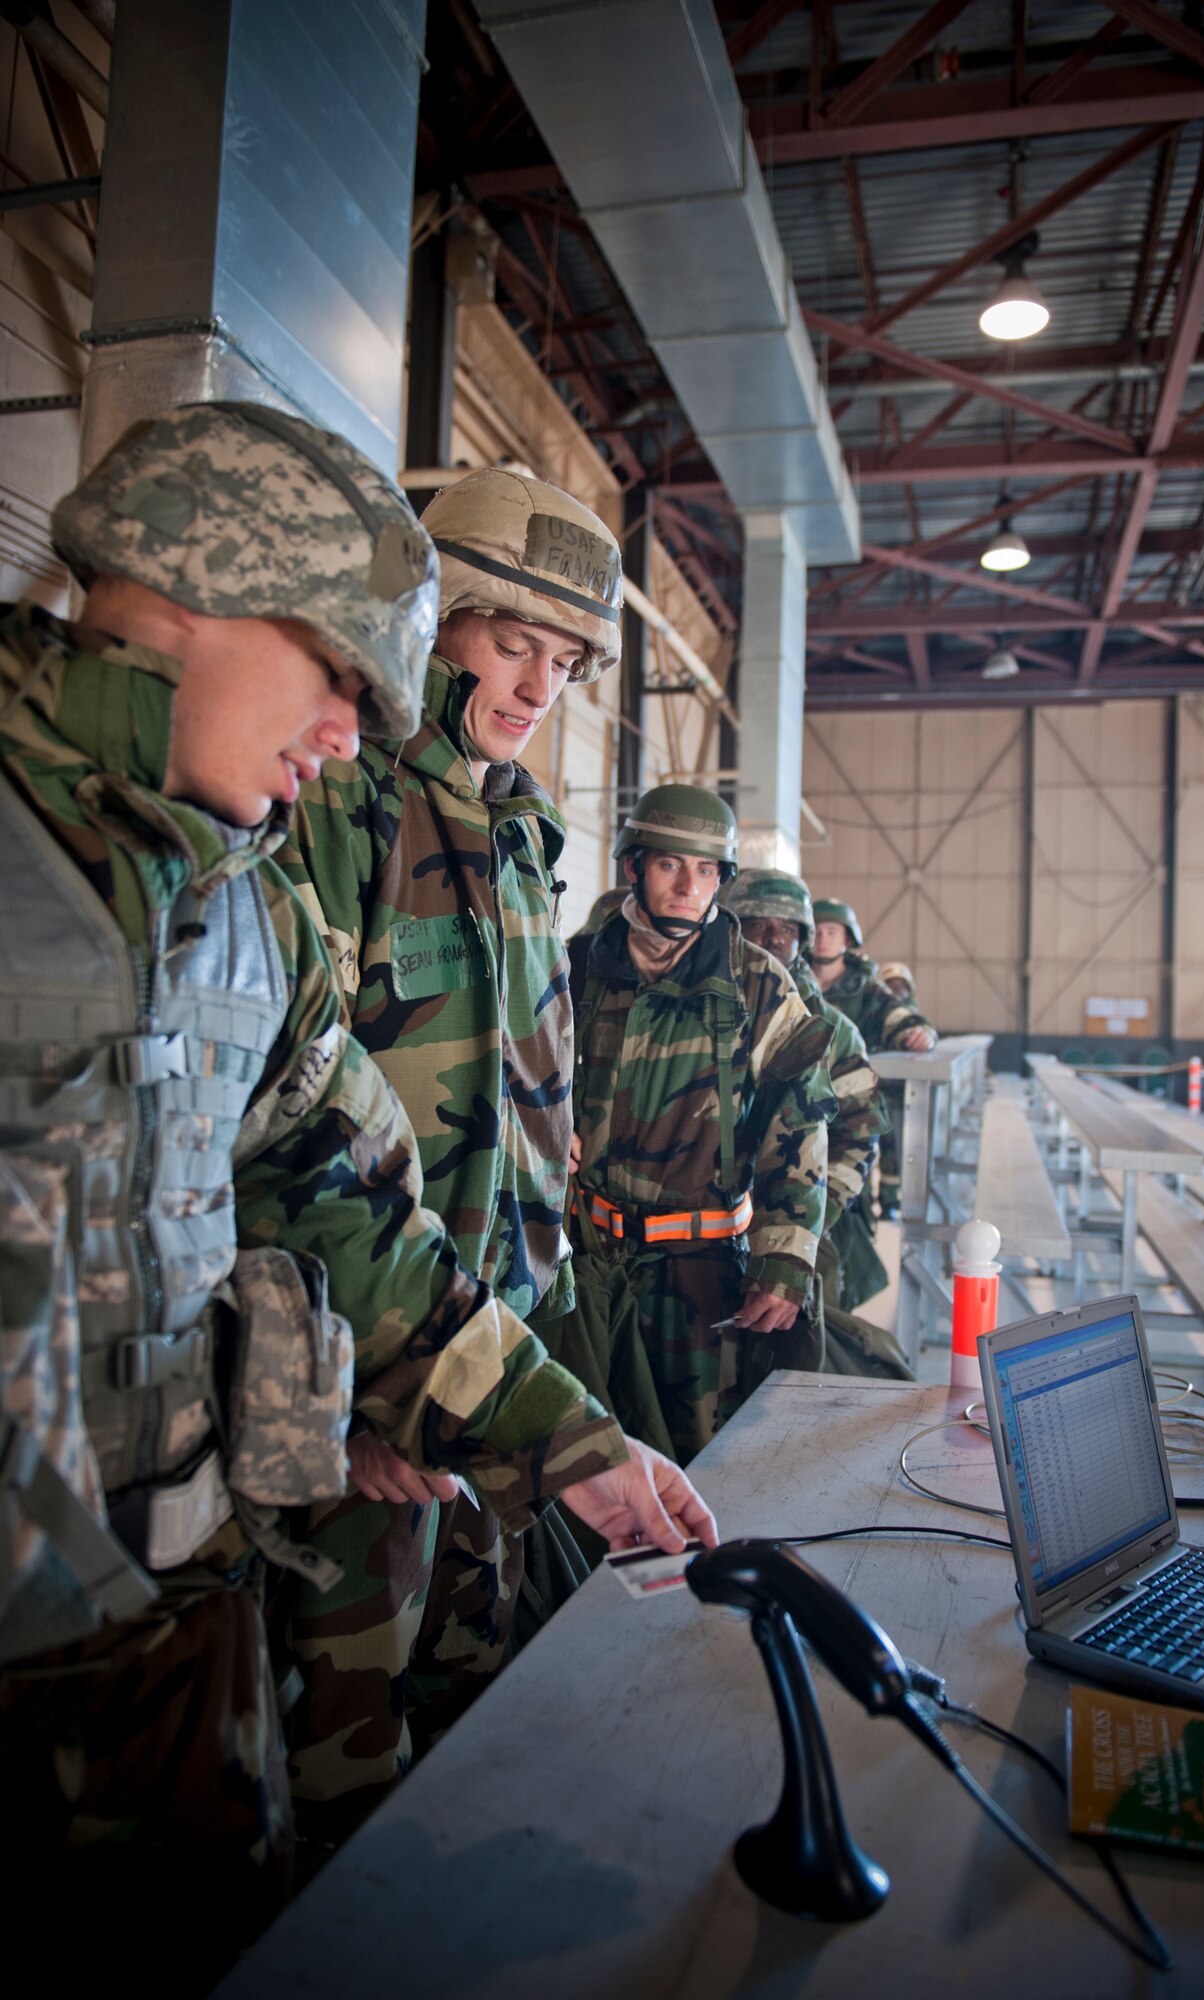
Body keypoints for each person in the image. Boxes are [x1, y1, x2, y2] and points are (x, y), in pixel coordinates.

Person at [0, 405, 715, 1975]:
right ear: (183, 587)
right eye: (338, 673)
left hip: (170, 1651)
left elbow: (342, 1194)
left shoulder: (234, 909)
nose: (348, 735)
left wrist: (565, 1441)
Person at [276, 468, 655, 1835]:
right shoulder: (338, 800)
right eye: (511, 644)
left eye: (565, 662)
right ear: (432, 621)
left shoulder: (524, 830)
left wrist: (537, 1321)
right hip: (368, 1381)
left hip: (499, 1359)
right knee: (345, 1765)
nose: (539, 686)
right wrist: (339, 1397)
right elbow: (283, 1129)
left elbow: (535, 1096)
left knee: (475, 1718)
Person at [568, 786, 836, 1462]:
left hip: (702, 1276)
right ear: (632, 866)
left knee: (702, 1459)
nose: (690, 887)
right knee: (585, 1456)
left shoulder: (757, 984)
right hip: (586, 1261)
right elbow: (518, 1073)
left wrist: (784, 1257)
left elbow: (800, 1118)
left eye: (707, 870)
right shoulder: (578, 966)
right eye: (670, 865)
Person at [724, 868, 890, 1310]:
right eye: (757, 924)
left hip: (797, 1232)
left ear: (804, 938)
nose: (773, 939)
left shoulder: (833, 1030)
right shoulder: (707, 1008)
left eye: (787, 929)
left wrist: (807, 1222)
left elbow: (859, 1133)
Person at [810, 901, 937, 1219]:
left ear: (847, 939)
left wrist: (919, 1033)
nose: (823, 939)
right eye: (816, 931)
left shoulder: (867, 992)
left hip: (847, 1120)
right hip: (793, 1115)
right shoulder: (788, 983)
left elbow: (900, 1019)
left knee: (850, 1212)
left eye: (832, 932)